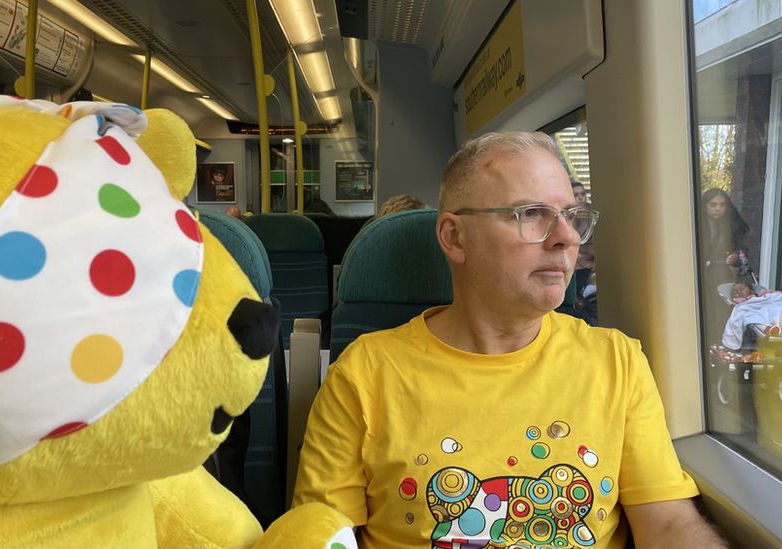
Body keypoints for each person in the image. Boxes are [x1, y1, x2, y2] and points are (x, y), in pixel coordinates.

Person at [293, 131, 726, 548]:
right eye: (530, 213)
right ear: (454, 237)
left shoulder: (617, 361)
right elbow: (323, 535)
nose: (567, 238)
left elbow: (669, 526)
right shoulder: (365, 375)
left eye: (572, 217)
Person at [700, 188, 750, 337]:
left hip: (722, 276)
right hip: (699, 276)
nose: (718, 209)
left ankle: (719, 345)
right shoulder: (695, 224)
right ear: (704, 206)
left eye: (722, 205)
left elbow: (743, 252)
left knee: (721, 313)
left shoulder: (732, 226)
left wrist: (736, 256)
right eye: (713, 205)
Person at [722, 282, 782, 350]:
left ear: (752, 291)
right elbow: (739, 311)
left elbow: (775, 299)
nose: (738, 291)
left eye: (741, 289)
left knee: (780, 309)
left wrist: (768, 296)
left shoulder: (763, 297)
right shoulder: (741, 304)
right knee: (749, 317)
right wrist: (740, 304)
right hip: (754, 313)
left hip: (768, 310)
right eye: (734, 292)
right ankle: (767, 329)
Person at [571, 181, 597, 323]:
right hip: (576, 265)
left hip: (591, 265)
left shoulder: (592, 213)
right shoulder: (567, 216)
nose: (581, 197)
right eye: (576, 195)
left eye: (583, 194)